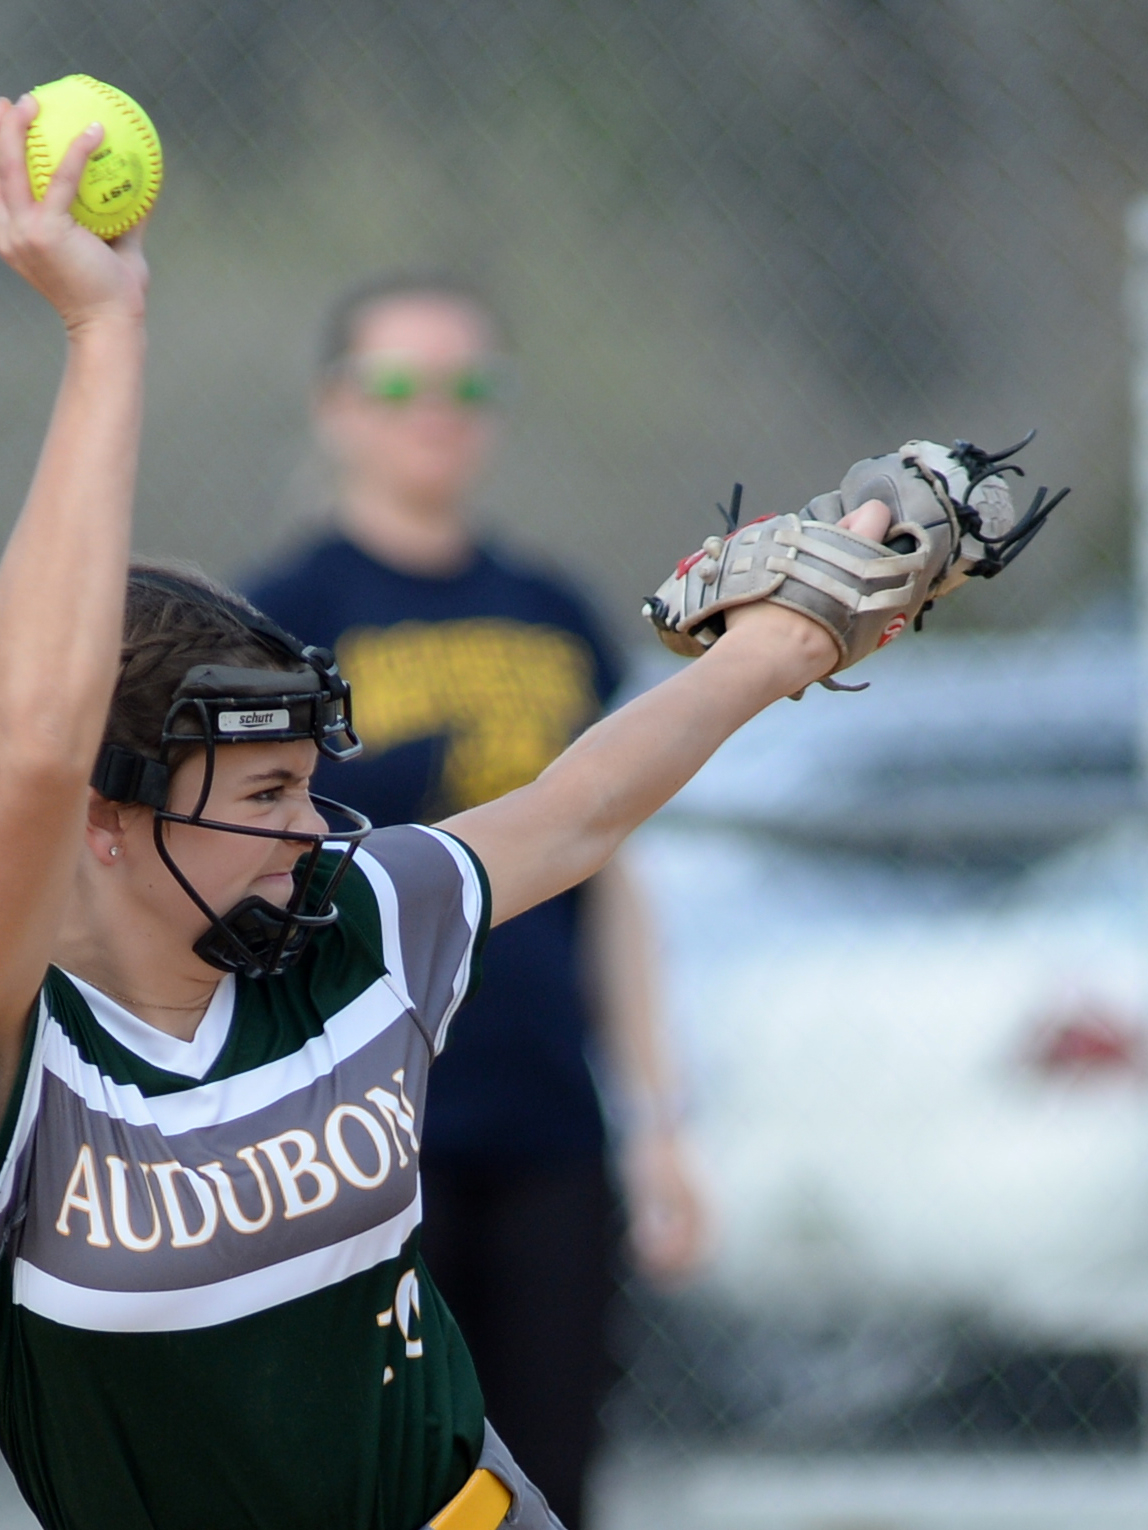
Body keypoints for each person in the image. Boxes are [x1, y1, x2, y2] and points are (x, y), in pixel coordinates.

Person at [0, 94, 899, 1530]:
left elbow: (578, 808)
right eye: (266, 792)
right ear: (107, 816)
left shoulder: (349, 922)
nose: (310, 826)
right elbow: (31, 750)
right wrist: (103, 333)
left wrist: (793, 642)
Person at [244, 274, 705, 1525]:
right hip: (362, 1128)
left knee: (548, 1488)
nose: (434, 414)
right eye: (399, 386)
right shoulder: (279, 618)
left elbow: (611, 884)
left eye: (467, 387)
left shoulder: (551, 613)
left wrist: (661, 1119)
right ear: (337, 407)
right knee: (380, 1485)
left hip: (551, 1121)